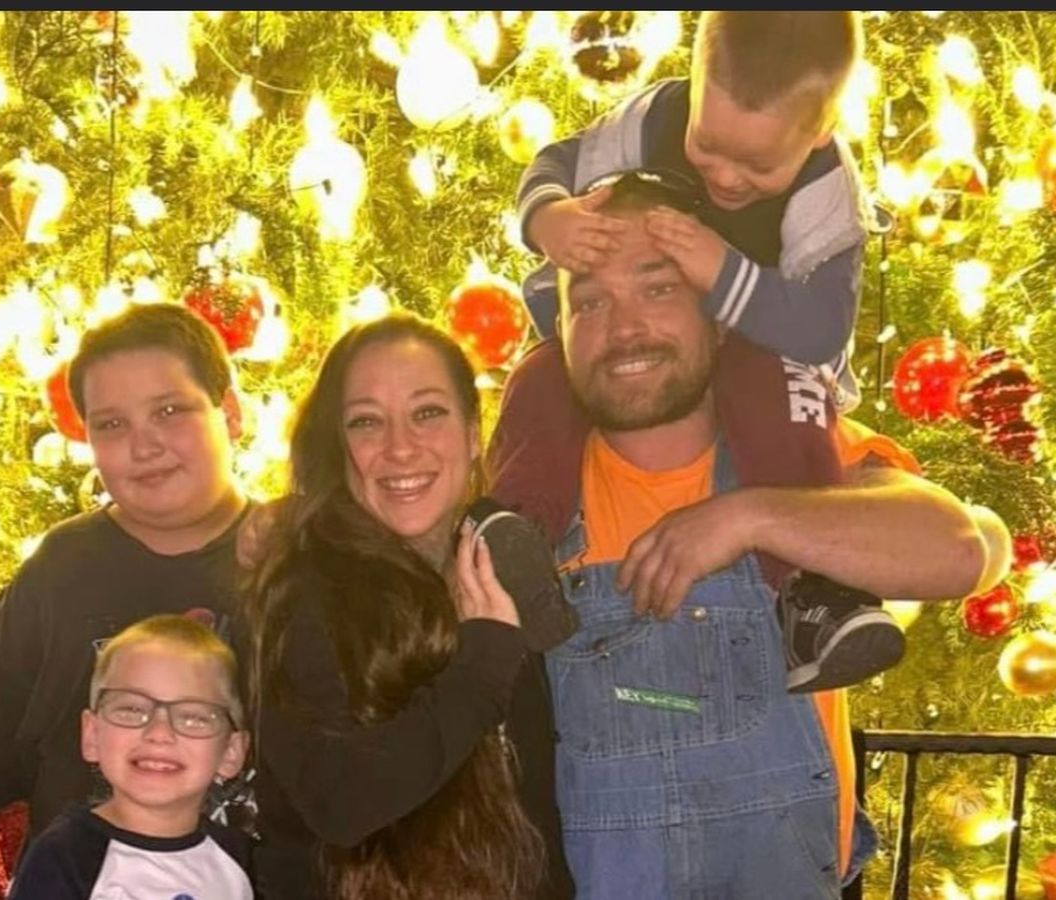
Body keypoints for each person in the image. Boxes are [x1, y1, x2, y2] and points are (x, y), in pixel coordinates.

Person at [503, 173, 1011, 898]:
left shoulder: (797, 452)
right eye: (589, 302)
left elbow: (962, 550)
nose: (624, 328)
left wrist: (751, 517)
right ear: (562, 335)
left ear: (719, 316)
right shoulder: (533, 505)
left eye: (658, 288)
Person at [489, 10, 900, 693]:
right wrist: (549, 214)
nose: (726, 178)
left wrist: (722, 270)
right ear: (696, 85)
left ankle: (813, 591)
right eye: (707, 145)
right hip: (650, 338)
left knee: (784, 401)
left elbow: (817, 332)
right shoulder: (653, 118)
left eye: (759, 165)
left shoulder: (827, 197)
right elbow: (557, 160)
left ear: (821, 130)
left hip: (769, 347)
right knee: (540, 380)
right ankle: (517, 540)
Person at [0, 303, 252, 900]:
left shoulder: (297, 561)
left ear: (229, 413)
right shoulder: (64, 566)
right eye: (112, 424)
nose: (144, 445)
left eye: (169, 411)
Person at [239, 313, 574, 900]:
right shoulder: (303, 595)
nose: (399, 448)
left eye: (428, 413)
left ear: (473, 434)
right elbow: (340, 802)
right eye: (367, 422)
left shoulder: (498, 566)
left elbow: (533, 818)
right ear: (338, 446)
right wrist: (481, 669)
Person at [6, 614, 253, 899]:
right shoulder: (64, 858)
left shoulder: (238, 859)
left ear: (231, 752)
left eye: (193, 717)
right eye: (132, 709)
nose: (159, 733)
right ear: (92, 735)